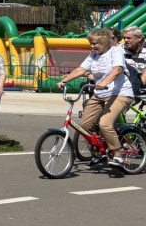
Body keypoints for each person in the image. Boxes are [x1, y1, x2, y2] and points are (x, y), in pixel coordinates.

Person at [57, 27, 135, 167]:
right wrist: (65, 80)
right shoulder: (93, 55)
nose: (92, 46)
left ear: (105, 42)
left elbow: (117, 69)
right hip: (101, 93)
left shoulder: (115, 51)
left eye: (95, 43)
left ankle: (118, 156)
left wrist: (104, 82)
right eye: (91, 43)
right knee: (84, 126)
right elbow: (81, 70)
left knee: (105, 123)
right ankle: (100, 152)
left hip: (120, 92)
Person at [123, 26, 146, 97]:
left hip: (140, 84)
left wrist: (138, 87)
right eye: (124, 38)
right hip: (129, 83)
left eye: (129, 38)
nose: (125, 40)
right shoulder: (121, 48)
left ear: (139, 38)